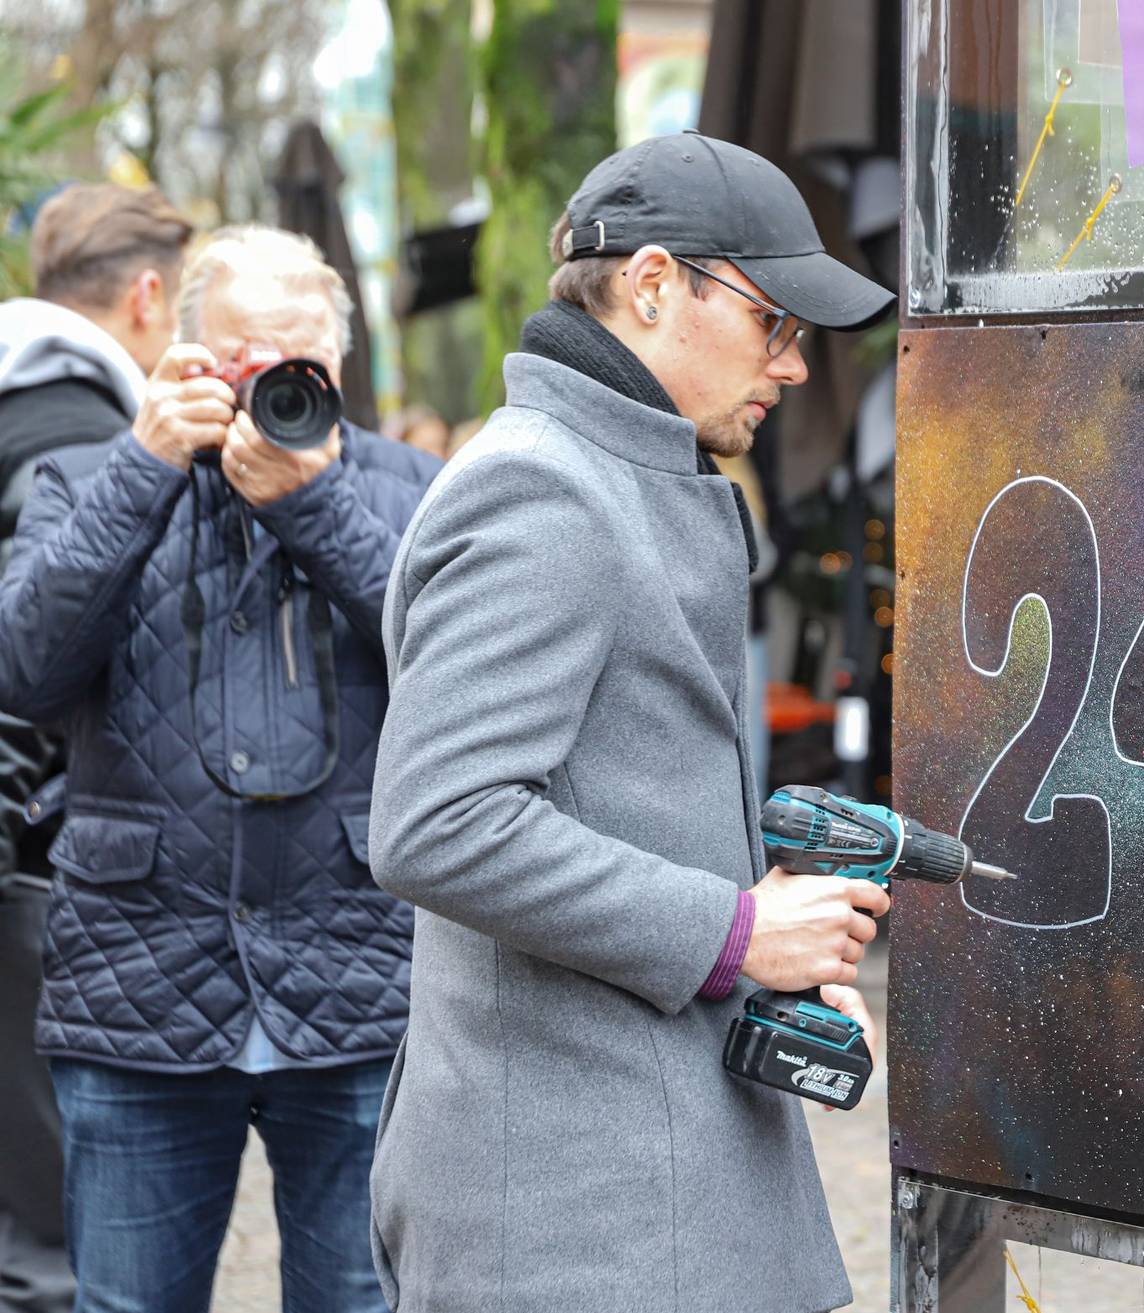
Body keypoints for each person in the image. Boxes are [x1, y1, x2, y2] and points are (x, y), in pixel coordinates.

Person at [368, 132, 894, 1312]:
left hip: (637, 1185)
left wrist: (760, 958)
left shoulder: (617, 472)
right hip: (581, 1218)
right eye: (773, 320)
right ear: (653, 284)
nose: (793, 363)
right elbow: (437, 822)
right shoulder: (543, 488)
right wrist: (735, 931)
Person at [0, 224, 440, 1313]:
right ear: (185, 353)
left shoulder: (412, 489)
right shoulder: (88, 478)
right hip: (137, 978)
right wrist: (142, 469)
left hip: (361, 977)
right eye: (245, 359)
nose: (272, 384)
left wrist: (314, 505)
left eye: (301, 362)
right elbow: (24, 673)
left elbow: (458, 674)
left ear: (337, 365)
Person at [0, 182, 191, 1313]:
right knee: (49, 1241)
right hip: (25, 868)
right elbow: (26, 659)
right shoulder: (75, 431)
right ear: (148, 294)